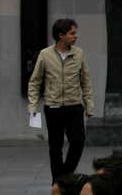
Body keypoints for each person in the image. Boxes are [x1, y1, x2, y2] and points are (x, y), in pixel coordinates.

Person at [26, 18, 94, 182]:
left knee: (78, 142)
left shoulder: (79, 54)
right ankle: (58, 182)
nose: (75, 36)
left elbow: (86, 81)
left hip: (74, 106)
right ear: (61, 35)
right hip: (53, 107)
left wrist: (89, 106)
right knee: (55, 148)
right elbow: (35, 82)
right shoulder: (45, 54)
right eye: (72, 33)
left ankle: (64, 176)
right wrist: (33, 106)